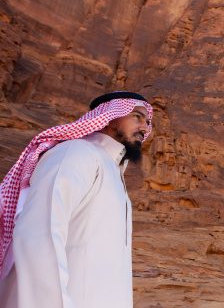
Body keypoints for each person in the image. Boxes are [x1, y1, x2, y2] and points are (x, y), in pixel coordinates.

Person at [0, 91, 153, 308]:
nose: (145, 128)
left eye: (147, 121)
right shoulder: (76, 153)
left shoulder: (112, 173)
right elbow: (39, 234)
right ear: (109, 115)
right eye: (136, 116)